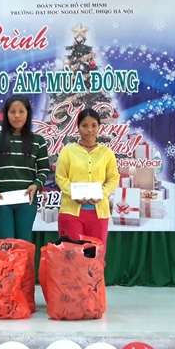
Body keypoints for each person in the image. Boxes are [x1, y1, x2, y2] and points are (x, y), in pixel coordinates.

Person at [0, 95, 50, 241]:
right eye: (12, 112)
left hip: (26, 201)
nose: (17, 115)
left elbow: (44, 169)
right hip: (1, 200)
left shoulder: (37, 141)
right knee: (5, 245)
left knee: (23, 245)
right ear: (6, 114)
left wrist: (36, 185)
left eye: (21, 111)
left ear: (28, 113)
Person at [54, 107, 120, 249]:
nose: (89, 130)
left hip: (98, 213)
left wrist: (102, 193)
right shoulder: (68, 151)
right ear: (78, 127)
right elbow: (61, 177)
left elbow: (113, 178)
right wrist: (74, 194)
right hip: (71, 212)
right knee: (72, 255)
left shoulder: (106, 153)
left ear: (99, 127)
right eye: (84, 125)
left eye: (94, 125)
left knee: (95, 255)